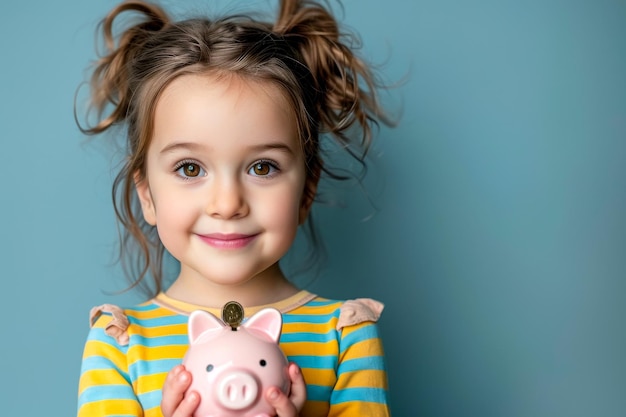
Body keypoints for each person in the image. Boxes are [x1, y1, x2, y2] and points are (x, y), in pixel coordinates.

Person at [76, 0, 393, 416]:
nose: (227, 204)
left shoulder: (346, 335)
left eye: (263, 167)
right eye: (190, 168)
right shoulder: (120, 344)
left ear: (307, 189)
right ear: (147, 195)